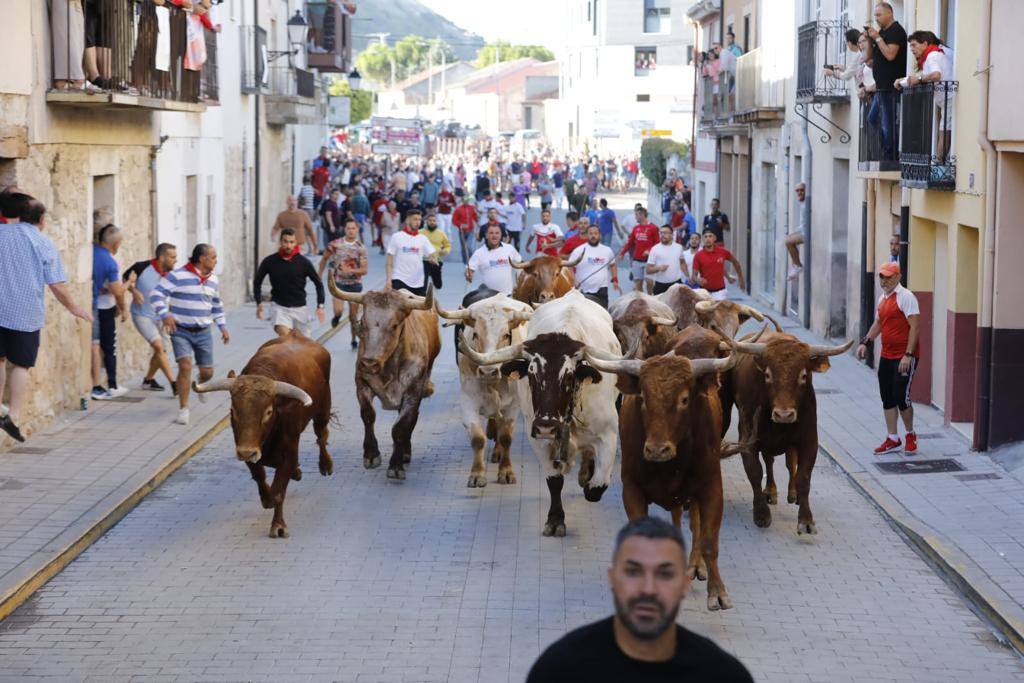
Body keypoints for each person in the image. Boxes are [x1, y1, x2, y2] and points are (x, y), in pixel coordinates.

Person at [527, 516, 752, 682]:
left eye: (664, 574)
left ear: (685, 585)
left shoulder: (722, 675)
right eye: (633, 572)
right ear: (612, 579)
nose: (648, 589)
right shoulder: (560, 670)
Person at [0, 196, 92, 443]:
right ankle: (14, 416)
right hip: (25, 312)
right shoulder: (42, 242)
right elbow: (57, 285)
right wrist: (74, 308)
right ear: (41, 220)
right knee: (21, 364)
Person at [149, 244, 230, 427]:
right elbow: (156, 295)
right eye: (213, 257)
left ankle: (202, 385)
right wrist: (165, 314)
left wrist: (223, 327)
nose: (216, 261)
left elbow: (217, 305)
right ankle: (184, 409)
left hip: (203, 332)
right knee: (185, 366)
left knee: (207, 372)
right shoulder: (177, 276)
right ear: (202, 258)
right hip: (181, 331)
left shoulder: (213, 280)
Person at [857, 261, 920, 455]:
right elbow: (878, 323)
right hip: (886, 355)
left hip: (904, 357)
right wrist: (865, 342)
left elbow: (915, 327)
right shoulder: (882, 299)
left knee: (902, 397)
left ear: (898, 277)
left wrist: (908, 355)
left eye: (888, 277)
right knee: (887, 398)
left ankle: (910, 434)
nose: (884, 280)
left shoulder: (906, 297)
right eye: (881, 277)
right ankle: (893, 438)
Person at [122, 243, 178, 393]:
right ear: (161, 258)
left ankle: (148, 380)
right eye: (172, 257)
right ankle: (174, 383)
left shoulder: (172, 276)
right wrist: (133, 290)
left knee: (161, 352)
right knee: (159, 347)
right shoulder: (141, 267)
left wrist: (170, 315)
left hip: (161, 318)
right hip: (142, 315)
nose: (175, 260)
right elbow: (124, 279)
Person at [254, 228, 325, 337]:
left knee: (304, 346)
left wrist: (320, 306)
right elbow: (257, 281)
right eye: (285, 241)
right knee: (286, 340)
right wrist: (259, 303)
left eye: (291, 242)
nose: (288, 245)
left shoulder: (304, 263)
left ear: (296, 243)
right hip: (279, 308)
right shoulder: (270, 261)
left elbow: (318, 284)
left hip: (300, 309)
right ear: (281, 242)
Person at [91, 224, 129, 400]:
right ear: (116, 243)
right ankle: (111, 385)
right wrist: (124, 308)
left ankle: (99, 385)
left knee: (96, 345)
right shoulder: (110, 262)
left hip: (92, 304)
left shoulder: (91, 252)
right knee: (107, 347)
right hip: (104, 308)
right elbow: (118, 291)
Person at [865, 2, 907, 161]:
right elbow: (869, 57)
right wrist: (871, 39)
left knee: (888, 123)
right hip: (881, 86)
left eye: (878, 15)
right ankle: (886, 149)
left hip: (890, 86)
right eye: (875, 15)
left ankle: (890, 155)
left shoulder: (896, 31)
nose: (876, 18)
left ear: (889, 13)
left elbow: (890, 54)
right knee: (873, 119)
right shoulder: (881, 32)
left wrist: (877, 38)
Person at [320, 218, 367, 348]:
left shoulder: (361, 248)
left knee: (353, 317)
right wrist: (318, 275)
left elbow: (364, 270)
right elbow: (324, 259)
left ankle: (353, 340)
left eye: (353, 228)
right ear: (344, 229)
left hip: (355, 285)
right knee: (339, 310)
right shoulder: (335, 244)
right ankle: (336, 317)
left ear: (357, 230)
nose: (351, 231)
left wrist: (350, 270)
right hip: (339, 284)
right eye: (348, 228)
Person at [385, 209, 436, 296]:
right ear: (408, 220)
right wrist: (389, 279)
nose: (418, 222)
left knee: (418, 309)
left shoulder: (423, 238)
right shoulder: (396, 237)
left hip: (418, 282)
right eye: (415, 219)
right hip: (399, 279)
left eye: (420, 220)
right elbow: (389, 263)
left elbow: (432, 254)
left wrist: (432, 259)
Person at [571, 225, 621, 309]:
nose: (593, 236)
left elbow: (613, 265)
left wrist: (615, 279)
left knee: (602, 316)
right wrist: (574, 281)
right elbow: (569, 267)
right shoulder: (578, 250)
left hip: (602, 290)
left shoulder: (607, 250)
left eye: (595, 233)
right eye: (590, 233)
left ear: (600, 235)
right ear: (587, 235)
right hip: (582, 291)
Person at [465, 223, 522, 295]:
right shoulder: (479, 253)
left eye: (497, 233)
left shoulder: (509, 248)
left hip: (508, 296)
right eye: (491, 233)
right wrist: (468, 274)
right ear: (486, 235)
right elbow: (469, 270)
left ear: (501, 235)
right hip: (488, 297)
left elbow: (520, 263)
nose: (494, 235)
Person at [692, 228, 746, 300]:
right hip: (704, 292)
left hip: (720, 292)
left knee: (719, 311)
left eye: (710, 236)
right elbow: (694, 276)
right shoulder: (698, 255)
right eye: (705, 236)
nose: (708, 239)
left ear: (714, 238)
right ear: (702, 239)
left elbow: (735, 263)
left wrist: (741, 279)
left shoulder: (723, 252)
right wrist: (698, 280)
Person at [618, 207, 660, 294]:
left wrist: (649, 250)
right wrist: (622, 253)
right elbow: (630, 243)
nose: (635, 217)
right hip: (637, 260)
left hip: (649, 261)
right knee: (638, 284)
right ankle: (641, 301)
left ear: (642, 215)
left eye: (637, 215)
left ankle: (650, 298)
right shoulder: (636, 228)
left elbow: (657, 243)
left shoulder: (653, 227)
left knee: (649, 282)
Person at [646, 226, 690, 296]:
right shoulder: (655, 249)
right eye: (661, 233)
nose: (662, 235)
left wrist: (688, 276)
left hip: (676, 284)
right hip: (660, 285)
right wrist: (658, 268)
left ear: (672, 235)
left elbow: (682, 262)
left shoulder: (679, 247)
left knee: (677, 306)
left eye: (665, 233)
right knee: (661, 307)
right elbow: (648, 270)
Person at [422, 213, 451, 290]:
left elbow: (448, 246)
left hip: (436, 260)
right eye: (430, 220)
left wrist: (444, 251)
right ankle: (423, 296)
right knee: (423, 284)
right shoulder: (420, 232)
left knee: (438, 285)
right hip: (424, 260)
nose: (432, 222)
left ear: (436, 222)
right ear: (426, 222)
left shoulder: (441, 233)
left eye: (434, 221)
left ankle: (434, 285)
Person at [785, 183, 807, 280]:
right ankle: (795, 266)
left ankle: (798, 266)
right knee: (788, 239)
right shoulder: (801, 202)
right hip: (803, 230)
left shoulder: (807, 202)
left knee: (788, 242)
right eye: (797, 190)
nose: (799, 192)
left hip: (808, 233)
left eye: (801, 190)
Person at [452, 193, 479, 264]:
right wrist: (460, 225)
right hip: (462, 231)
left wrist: (477, 222)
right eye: (464, 200)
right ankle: (465, 261)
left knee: (469, 246)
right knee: (463, 247)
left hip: (470, 230)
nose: (466, 201)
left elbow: (475, 216)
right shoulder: (458, 209)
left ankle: (471, 259)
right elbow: (454, 220)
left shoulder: (472, 208)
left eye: (467, 200)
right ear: (462, 200)